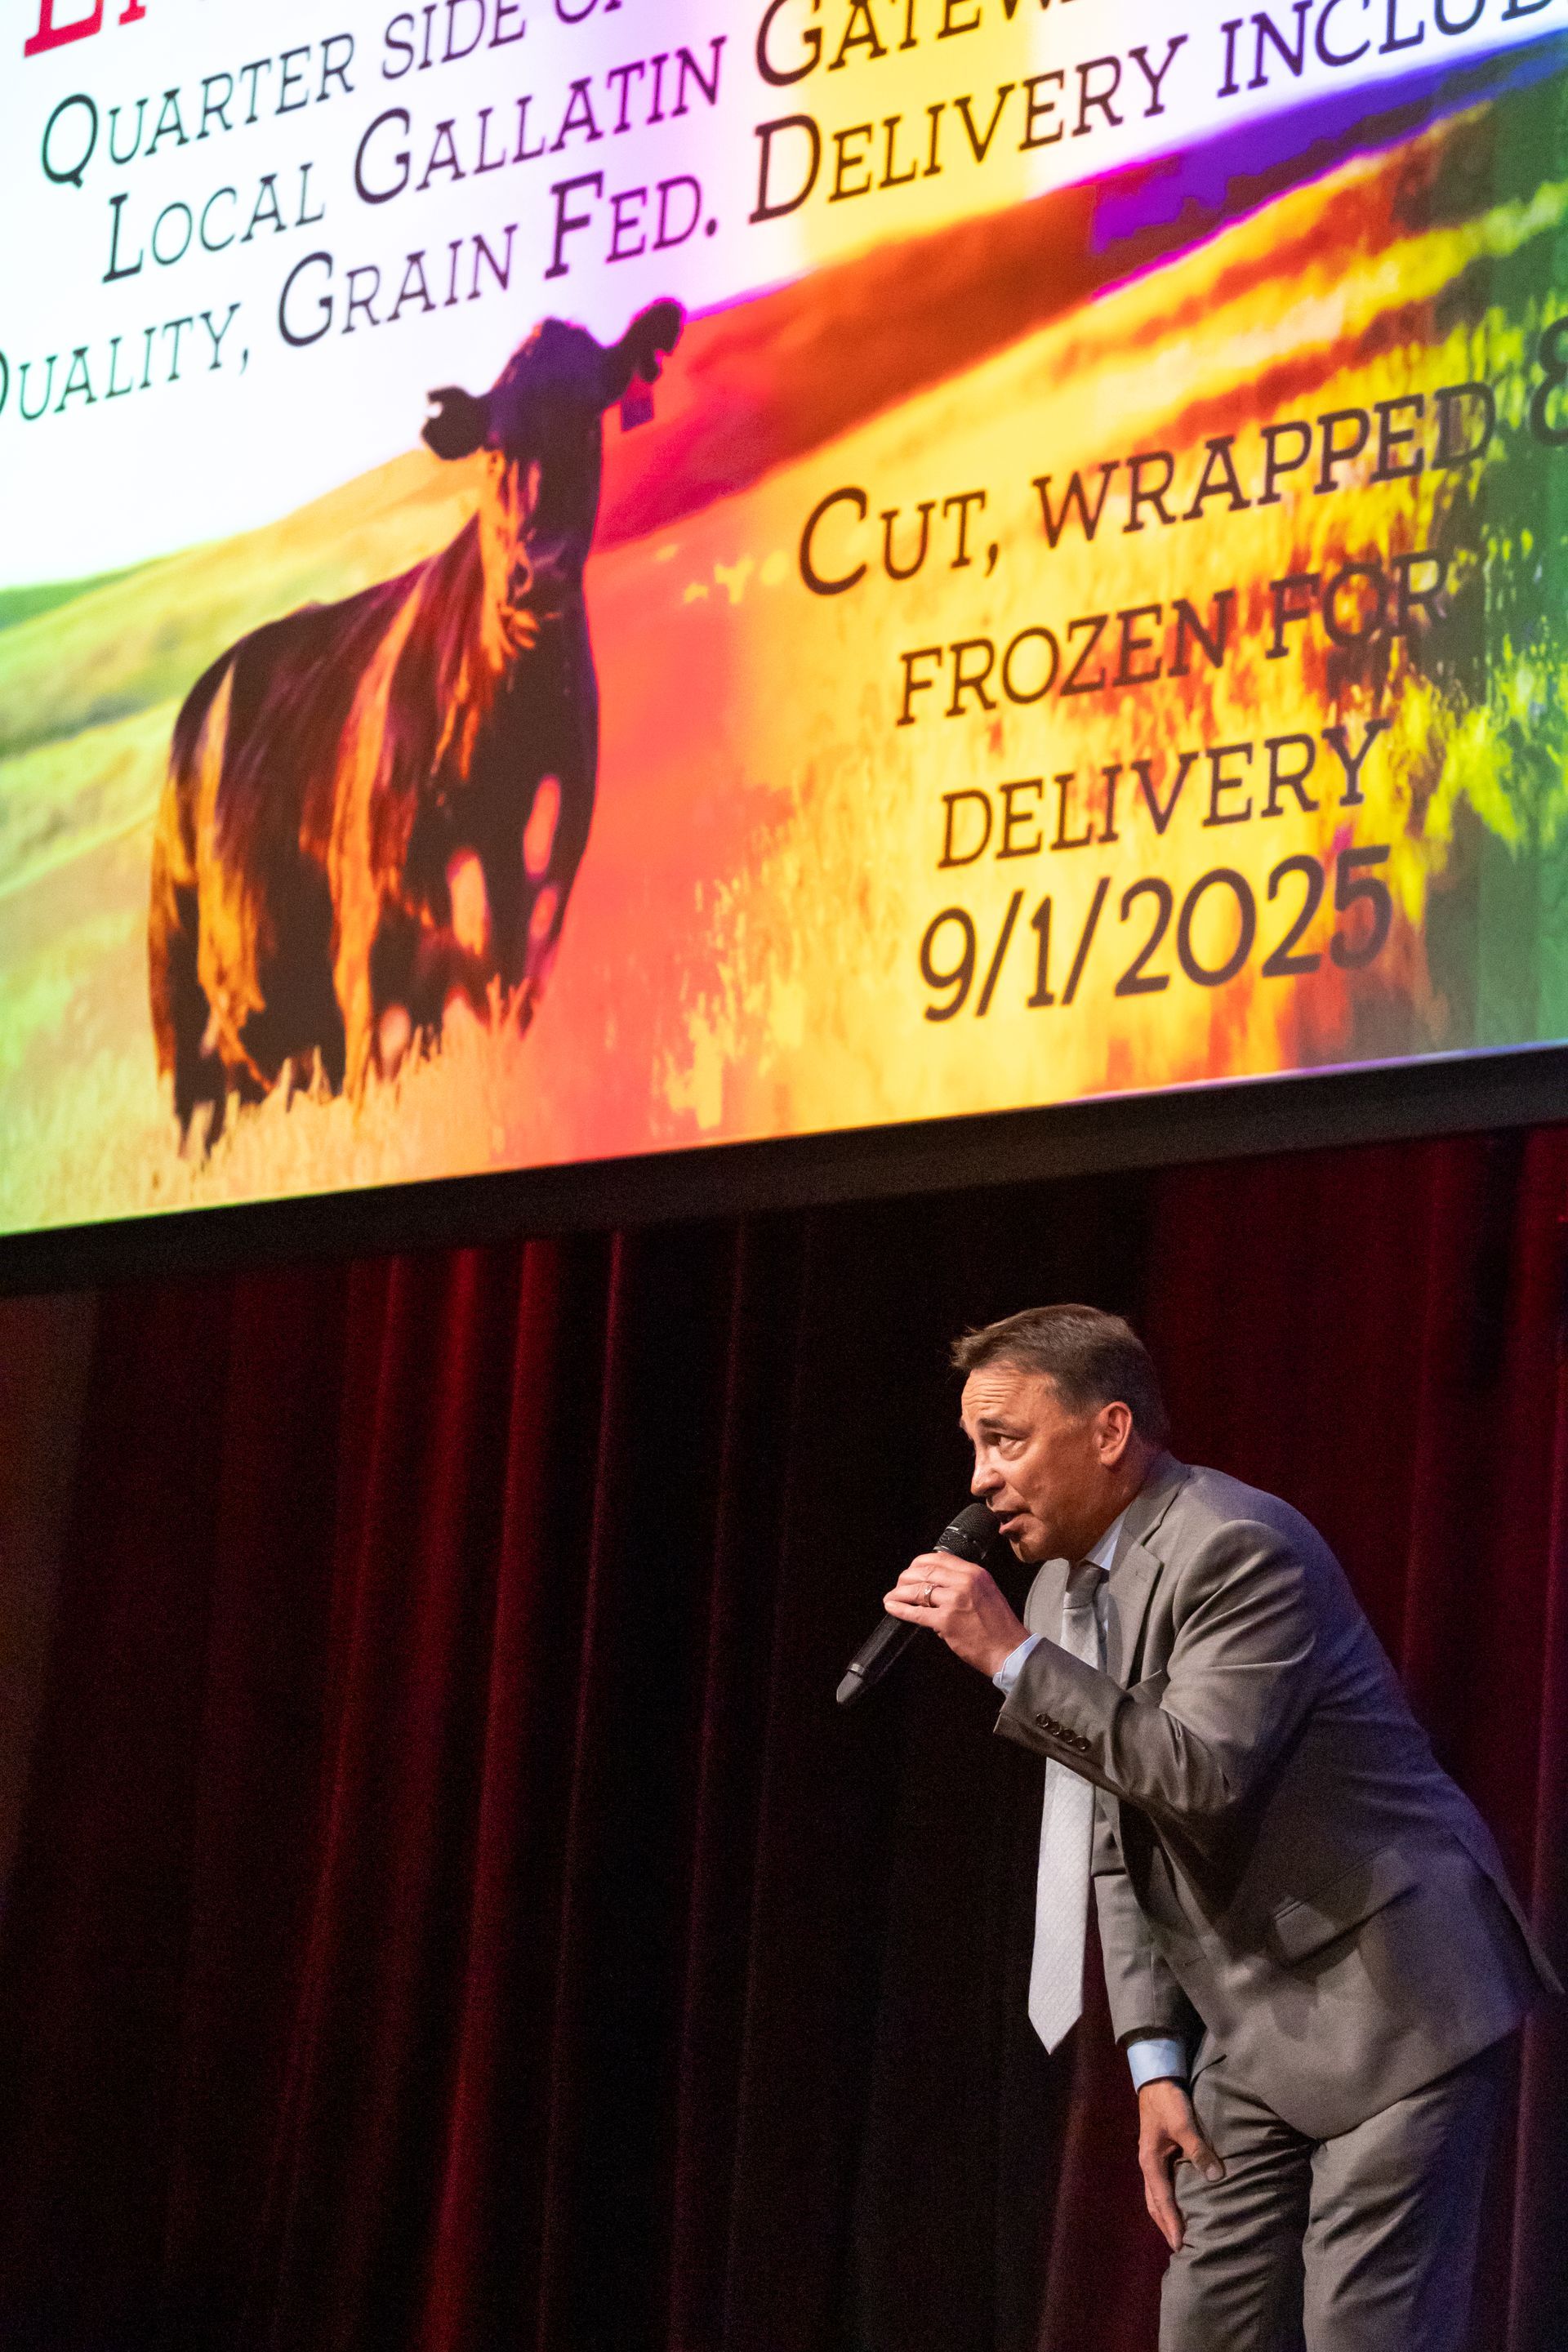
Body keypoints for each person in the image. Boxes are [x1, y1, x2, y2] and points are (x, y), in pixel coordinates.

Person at [883, 1303, 1557, 2352]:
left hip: (1392, 1989)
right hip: (1254, 2014)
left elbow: (1196, 1776)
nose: (979, 1477)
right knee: (1208, 2324)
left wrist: (1011, 1658)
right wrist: (1155, 2058)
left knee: (1363, 2330)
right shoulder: (1084, 1581)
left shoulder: (1238, 1547)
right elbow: (1122, 1827)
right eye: (976, 1445)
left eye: (1005, 1440)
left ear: (1108, 1432)